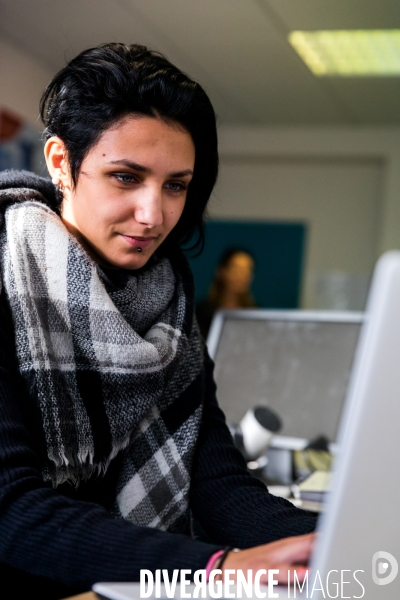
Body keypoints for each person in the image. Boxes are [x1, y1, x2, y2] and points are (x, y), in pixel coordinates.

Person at [0, 43, 316, 599]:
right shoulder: (5, 275)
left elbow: (216, 481)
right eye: (125, 177)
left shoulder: (166, 298)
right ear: (59, 162)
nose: (154, 216)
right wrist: (213, 569)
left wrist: (342, 545)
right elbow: (11, 508)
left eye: (176, 185)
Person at [196, 247, 257, 338]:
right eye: (236, 269)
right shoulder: (200, 314)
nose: (242, 276)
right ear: (221, 271)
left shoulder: (255, 314)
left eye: (248, 270)